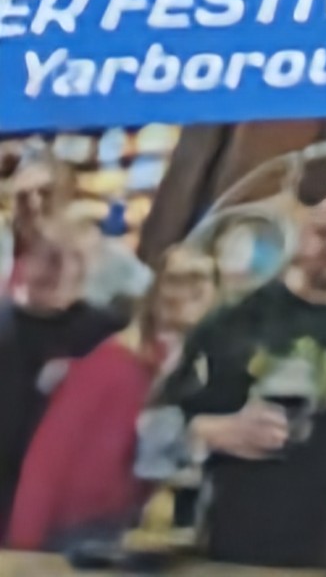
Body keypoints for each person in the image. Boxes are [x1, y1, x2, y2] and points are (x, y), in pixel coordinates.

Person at [173, 186, 326, 567]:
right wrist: (208, 430)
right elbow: (159, 418)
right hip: (228, 534)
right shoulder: (238, 319)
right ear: (304, 233)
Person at [6, 240, 215, 551]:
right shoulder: (114, 361)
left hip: (137, 529)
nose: (185, 294)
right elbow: (50, 456)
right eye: (176, 282)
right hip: (78, 531)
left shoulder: (192, 368)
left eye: (198, 284)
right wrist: (24, 545)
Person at [0, 222, 124, 516]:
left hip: (66, 500)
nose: (60, 271)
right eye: (49, 257)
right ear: (25, 261)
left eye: (74, 259)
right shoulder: (4, 324)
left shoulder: (107, 332)